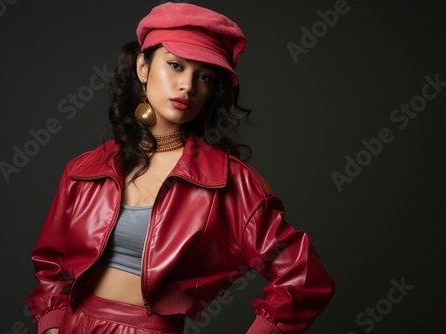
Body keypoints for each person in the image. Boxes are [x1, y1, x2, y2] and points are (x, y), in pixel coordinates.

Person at [26, 2, 335, 333]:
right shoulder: (86, 169)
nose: (188, 85)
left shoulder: (229, 183)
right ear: (143, 69)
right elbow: (51, 265)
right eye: (175, 65)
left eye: (203, 76)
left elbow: (303, 277)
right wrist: (53, 326)